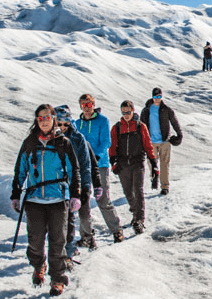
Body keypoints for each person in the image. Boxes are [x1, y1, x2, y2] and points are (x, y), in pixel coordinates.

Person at [10, 104, 81, 297]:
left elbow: (74, 170)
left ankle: (57, 279)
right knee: (35, 241)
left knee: (58, 241)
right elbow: (20, 170)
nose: (44, 121)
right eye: (40, 118)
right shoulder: (30, 143)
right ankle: (38, 265)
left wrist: (75, 195)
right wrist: (16, 195)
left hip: (58, 199)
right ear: (36, 120)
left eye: (47, 117)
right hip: (34, 200)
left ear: (53, 119)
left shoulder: (63, 143)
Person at [54, 105, 100, 264]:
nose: (62, 127)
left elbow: (86, 164)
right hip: (58, 185)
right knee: (63, 220)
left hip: (77, 183)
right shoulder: (49, 137)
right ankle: (65, 251)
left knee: (81, 215)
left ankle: (87, 239)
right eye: (59, 123)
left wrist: (86, 186)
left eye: (65, 124)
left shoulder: (77, 138)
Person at [76, 94, 123, 243]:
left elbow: (106, 142)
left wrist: (95, 157)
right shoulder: (77, 123)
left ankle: (117, 230)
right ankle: (85, 236)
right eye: (83, 105)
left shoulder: (102, 121)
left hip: (99, 165)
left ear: (93, 105)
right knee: (82, 199)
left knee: (102, 198)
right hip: (82, 166)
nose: (87, 108)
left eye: (89, 105)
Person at [109, 100, 158, 235]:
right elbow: (112, 147)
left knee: (138, 191)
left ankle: (139, 220)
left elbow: (148, 145)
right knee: (128, 192)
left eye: (128, 112)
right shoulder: (117, 128)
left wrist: (153, 163)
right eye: (123, 112)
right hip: (123, 164)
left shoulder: (140, 126)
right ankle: (135, 214)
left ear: (133, 110)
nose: (126, 115)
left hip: (137, 163)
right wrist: (113, 162)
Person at [140, 88, 183, 196]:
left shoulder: (166, 109)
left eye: (159, 97)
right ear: (152, 97)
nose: (157, 99)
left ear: (161, 96)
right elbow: (140, 126)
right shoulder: (146, 110)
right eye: (155, 97)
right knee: (151, 164)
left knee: (164, 165)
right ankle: (155, 177)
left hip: (165, 141)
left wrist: (179, 134)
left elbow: (174, 122)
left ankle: (165, 187)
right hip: (151, 142)